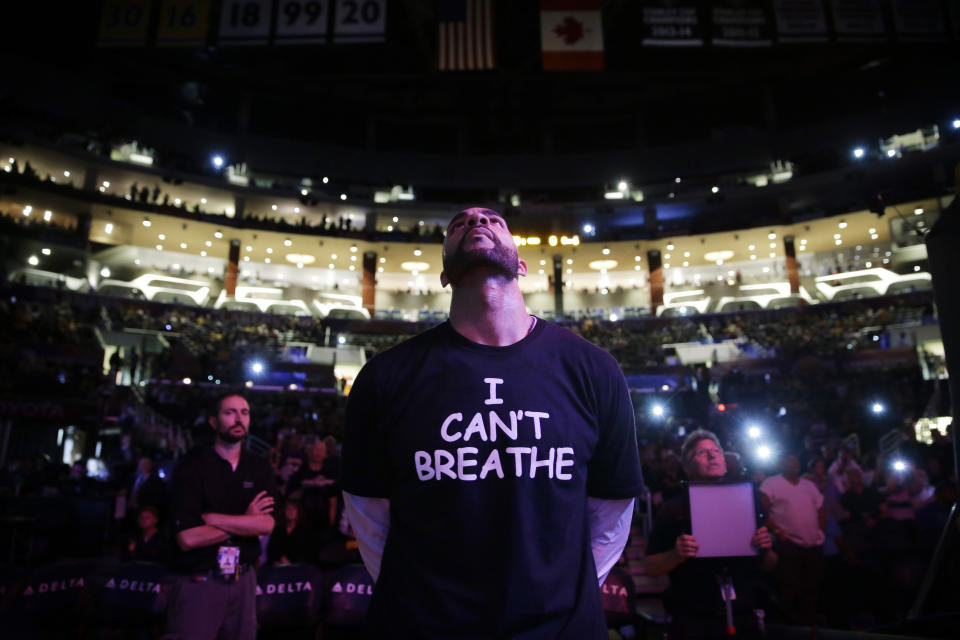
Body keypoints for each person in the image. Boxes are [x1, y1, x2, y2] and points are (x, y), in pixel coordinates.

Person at [341, 207, 644, 639]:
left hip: (560, 627)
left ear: (521, 265)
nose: (476, 223)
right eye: (459, 224)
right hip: (424, 625)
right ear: (444, 274)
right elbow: (369, 514)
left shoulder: (593, 368)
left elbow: (612, 510)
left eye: (493, 221)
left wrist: (560, 593)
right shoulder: (386, 376)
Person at [644, 430, 776, 639]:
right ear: (687, 467)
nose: (712, 455)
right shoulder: (673, 510)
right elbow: (651, 565)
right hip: (694, 617)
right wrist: (675, 555)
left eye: (716, 451)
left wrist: (765, 548)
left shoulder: (748, 501)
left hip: (743, 613)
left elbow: (769, 563)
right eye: (701, 452)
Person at [166, 393, 276, 640]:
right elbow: (188, 538)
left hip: (244, 578)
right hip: (200, 580)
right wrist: (246, 521)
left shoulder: (260, 467)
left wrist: (213, 519)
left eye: (244, 413)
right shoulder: (191, 467)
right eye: (230, 412)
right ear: (214, 422)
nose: (239, 419)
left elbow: (266, 524)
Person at [760, 454, 825, 625]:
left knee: (812, 583)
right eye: (790, 461)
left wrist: (821, 532)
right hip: (789, 543)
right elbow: (762, 510)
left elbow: (820, 509)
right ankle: (789, 623)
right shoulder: (771, 483)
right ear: (781, 464)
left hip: (813, 543)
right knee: (789, 584)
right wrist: (777, 531)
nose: (794, 464)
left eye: (796, 461)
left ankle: (810, 620)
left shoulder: (809, 485)